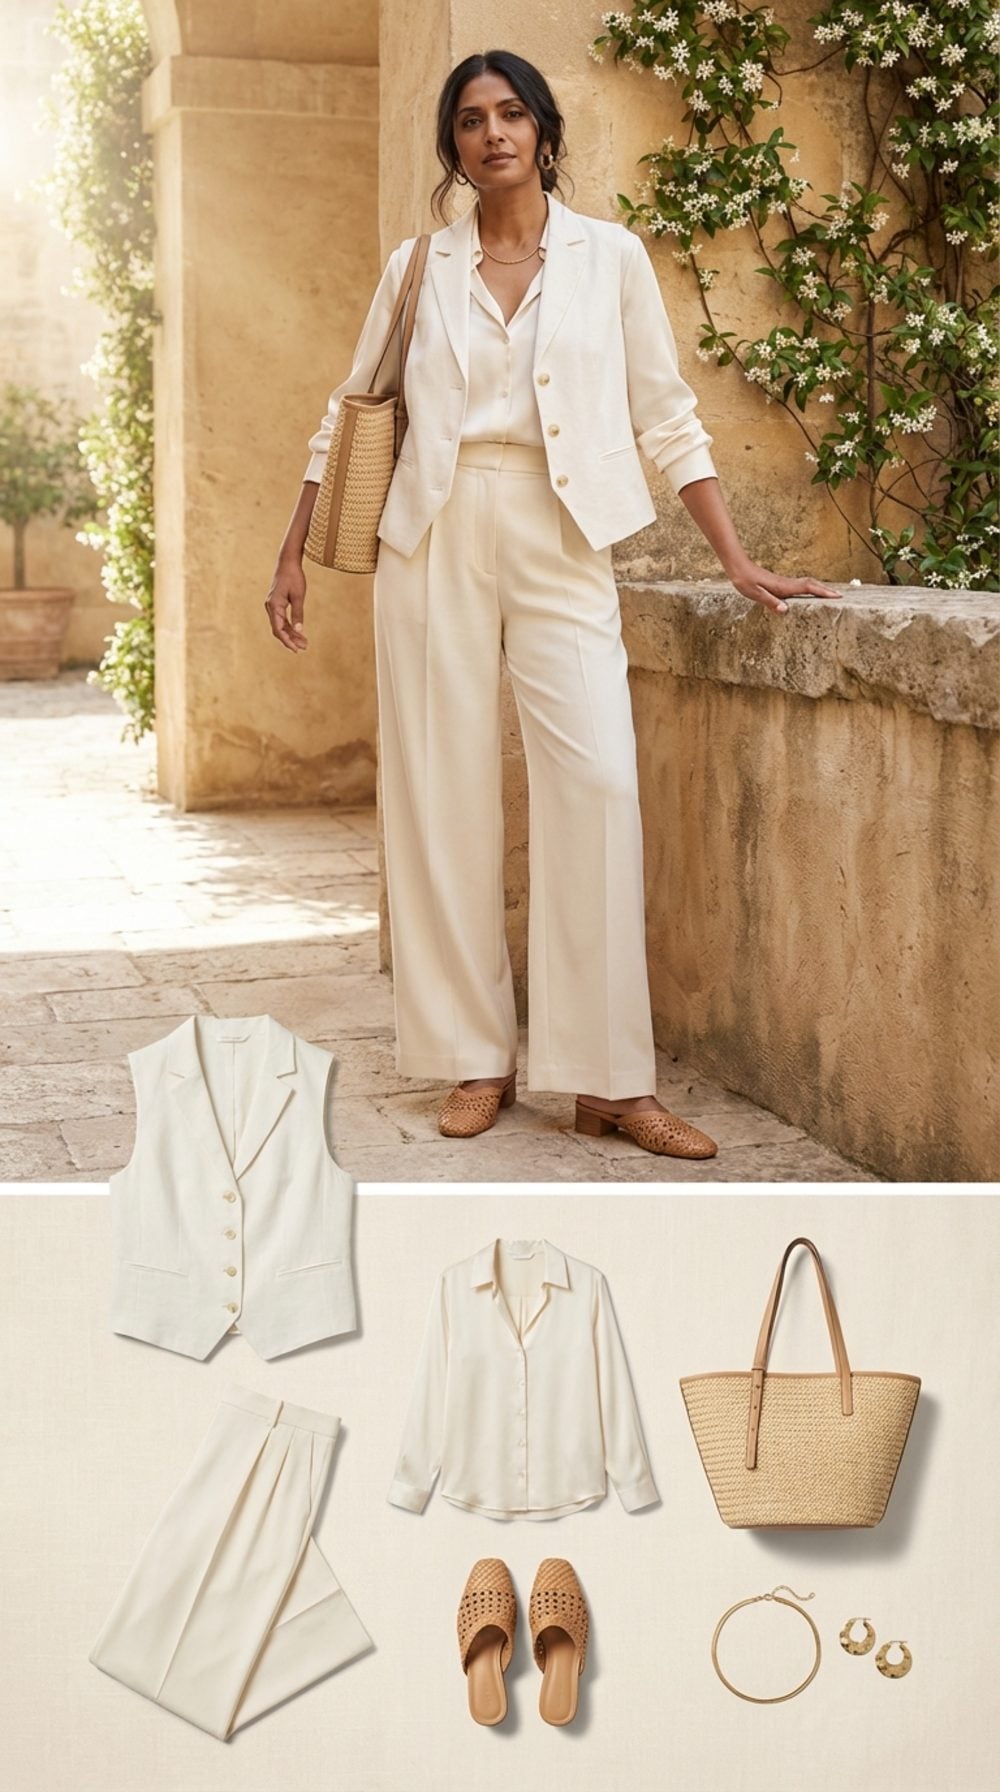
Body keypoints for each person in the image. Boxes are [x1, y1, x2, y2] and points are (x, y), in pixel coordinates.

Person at [265, 48, 842, 1158]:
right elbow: (350, 411)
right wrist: (292, 550)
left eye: (511, 113)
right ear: (454, 145)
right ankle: (474, 1057)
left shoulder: (608, 258)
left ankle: (609, 1083)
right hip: (430, 531)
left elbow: (665, 414)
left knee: (598, 784)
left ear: (542, 131)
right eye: (471, 119)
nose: (493, 133)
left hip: (563, 526)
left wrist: (736, 560)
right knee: (440, 793)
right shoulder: (416, 268)